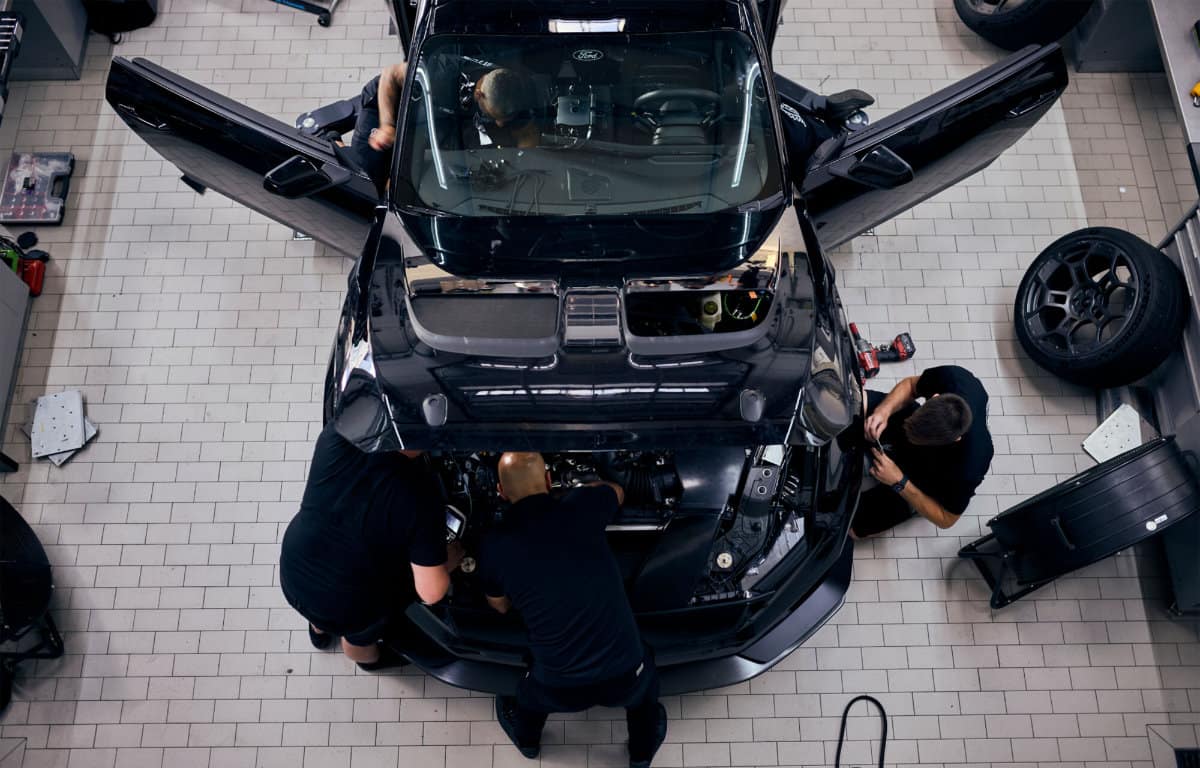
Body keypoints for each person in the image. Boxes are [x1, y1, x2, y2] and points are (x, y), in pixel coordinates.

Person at [481, 452, 668, 768]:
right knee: (646, 694)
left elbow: (498, 606)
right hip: (624, 675)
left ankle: (528, 742)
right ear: (548, 480)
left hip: (557, 686)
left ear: (500, 491)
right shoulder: (582, 506)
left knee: (528, 698)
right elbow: (618, 491)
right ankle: (641, 754)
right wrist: (582, 489)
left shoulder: (494, 545)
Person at [280, 422, 462, 670]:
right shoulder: (419, 494)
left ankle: (318, 630)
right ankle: (367, 660)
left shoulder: (338, 433)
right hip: (350, 603)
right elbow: (432, 592)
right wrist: (446, 560)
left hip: (294, 570)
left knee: (316, 606)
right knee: (357, 638)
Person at [855, 365, 994, 538]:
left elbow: (946, 519)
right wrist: (883, 412)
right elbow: (910, 385)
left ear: (955, 440)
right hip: (910, 427)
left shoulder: (970, 465)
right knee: (857, 403)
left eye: (917, 439)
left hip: (925, 476)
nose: (910, 438)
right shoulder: (953, 378)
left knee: (853, 528)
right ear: (934, 397)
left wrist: (899, 481)